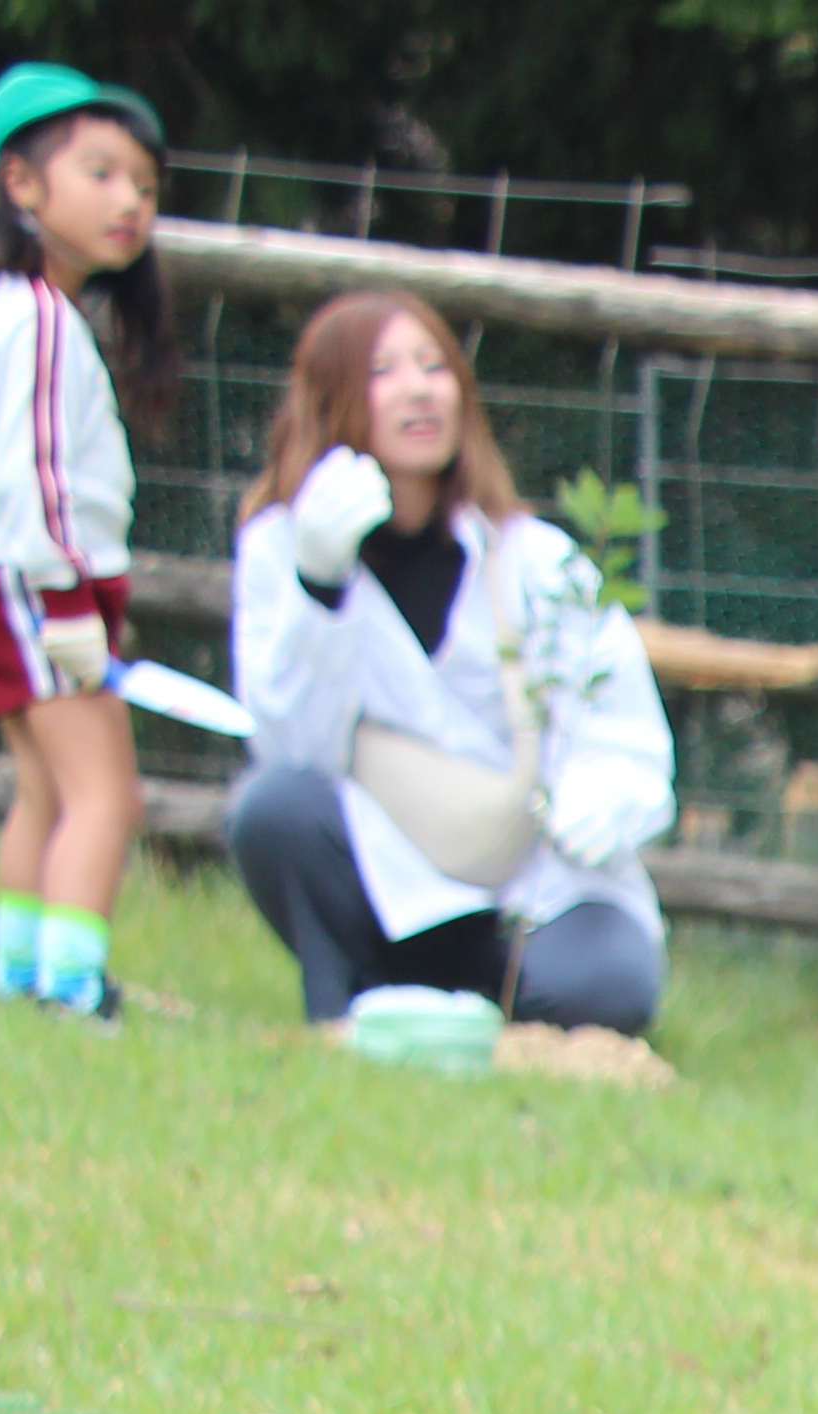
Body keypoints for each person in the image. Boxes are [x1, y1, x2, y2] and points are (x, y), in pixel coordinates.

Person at [223, 292, 672, 1038]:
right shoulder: (281, 548)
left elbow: (624, 733)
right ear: (332, 397)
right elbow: (290, 749)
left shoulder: (537, 558)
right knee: (269, 809)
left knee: (611, 987)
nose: (420, 388)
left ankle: (474, 1004)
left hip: (532, 882)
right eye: (384, 370)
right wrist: (318, 589)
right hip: (387, 860)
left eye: (435, 367)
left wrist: (605, 798)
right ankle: (359, 997)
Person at [0, 62, 162, 1026]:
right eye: (99, 174)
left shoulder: (5, 310)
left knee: (45, 786)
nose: (128, 202)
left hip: (9, 578)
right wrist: (67, 608)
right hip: (39, 583)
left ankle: (17, 971)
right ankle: (74, 987)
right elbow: (39, 471)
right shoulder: (41, 320)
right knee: (106, 794)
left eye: (142, 183)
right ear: (20, 183)